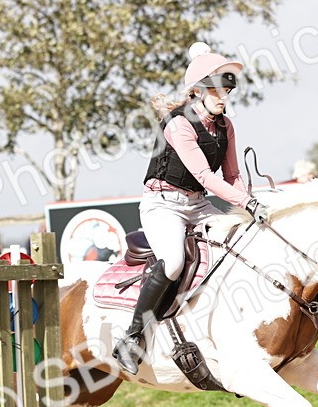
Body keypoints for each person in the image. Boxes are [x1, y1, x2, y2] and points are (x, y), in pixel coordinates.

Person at [112, 42, 267, 375]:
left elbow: (232, 176)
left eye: (227, 90)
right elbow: (205, 176)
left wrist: (251, 205)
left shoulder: (226, 126)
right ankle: (132, 338)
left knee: (239, 244)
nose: (223, 96)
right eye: (217, 90)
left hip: (198, 205)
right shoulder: (179, 124)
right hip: (163, 205)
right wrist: (246, 203)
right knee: (173, 262)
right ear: (198, 91)